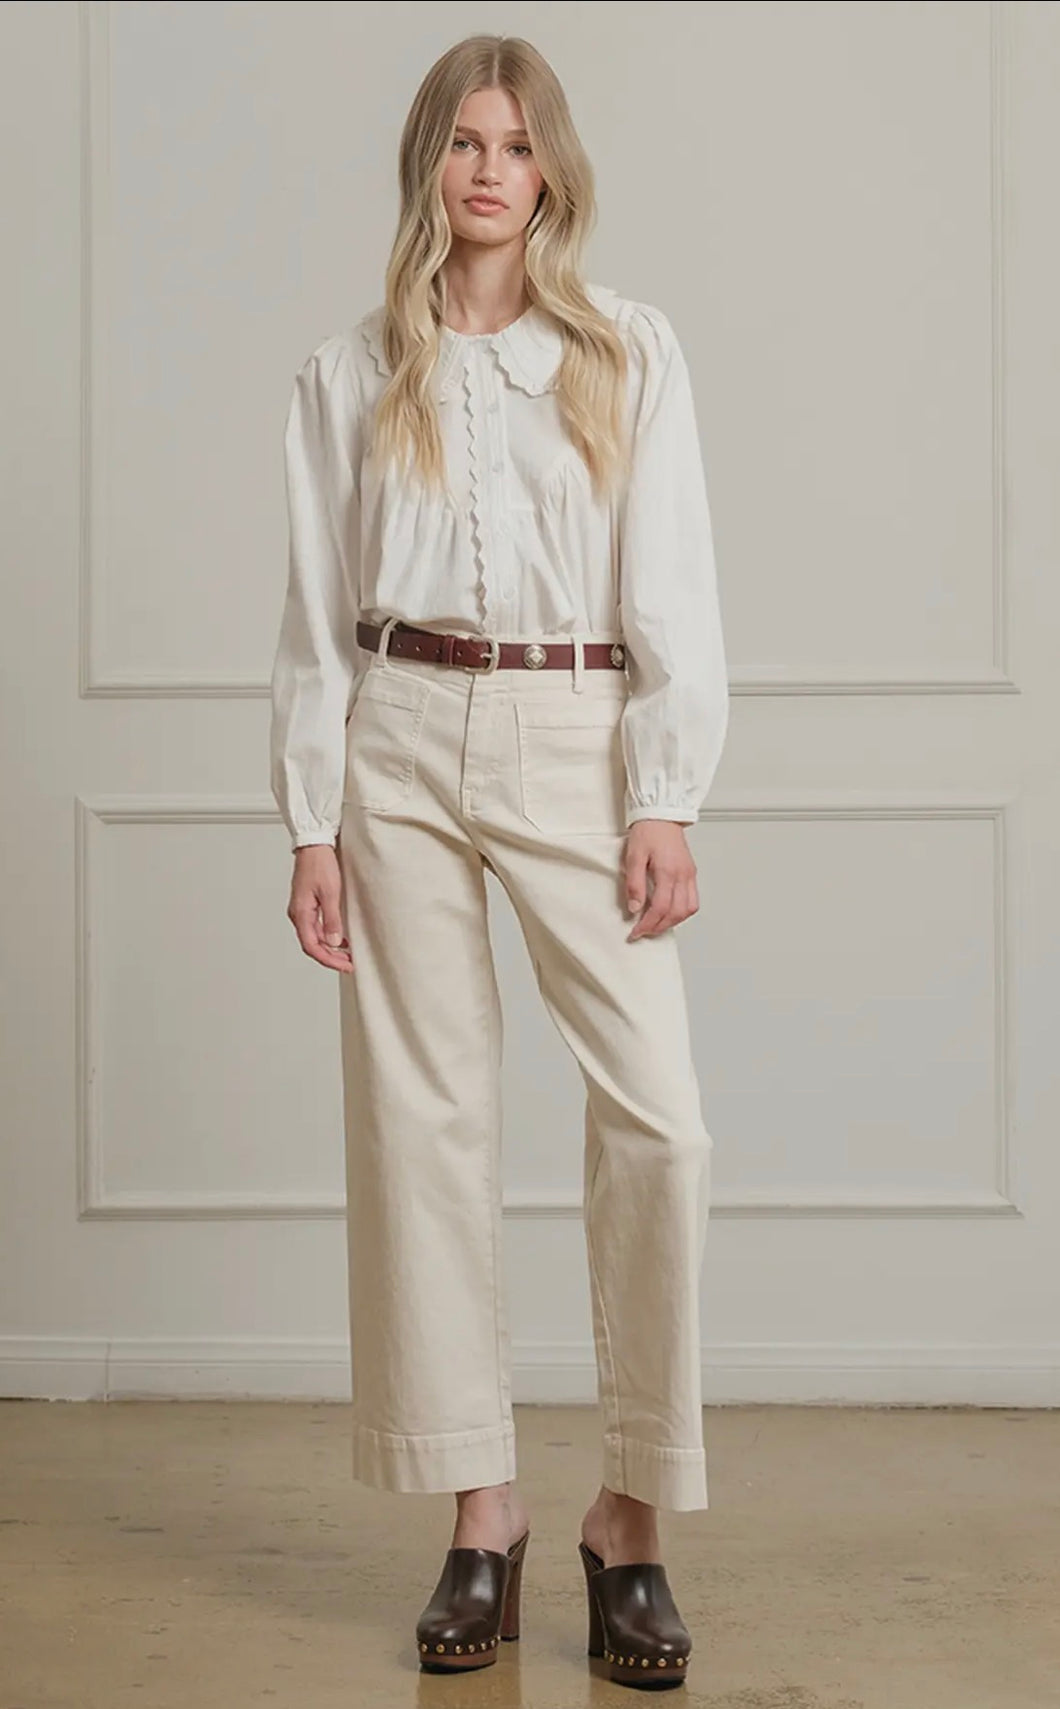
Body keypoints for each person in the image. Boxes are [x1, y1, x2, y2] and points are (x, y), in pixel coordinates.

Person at [268, 32, 729, 1691]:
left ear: (551, 173)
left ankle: (631, 1518)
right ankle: (483, 1511)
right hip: (395, 730)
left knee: (661, 1121)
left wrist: (664, 788)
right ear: (430, 164)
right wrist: (310, 817)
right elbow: (314, 614)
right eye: (464, 141)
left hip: (575, 729)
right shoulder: (349, 374)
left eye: (517, 145)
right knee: (424, 1122)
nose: (488, 170)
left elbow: (673, 576)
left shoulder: (623, 352)